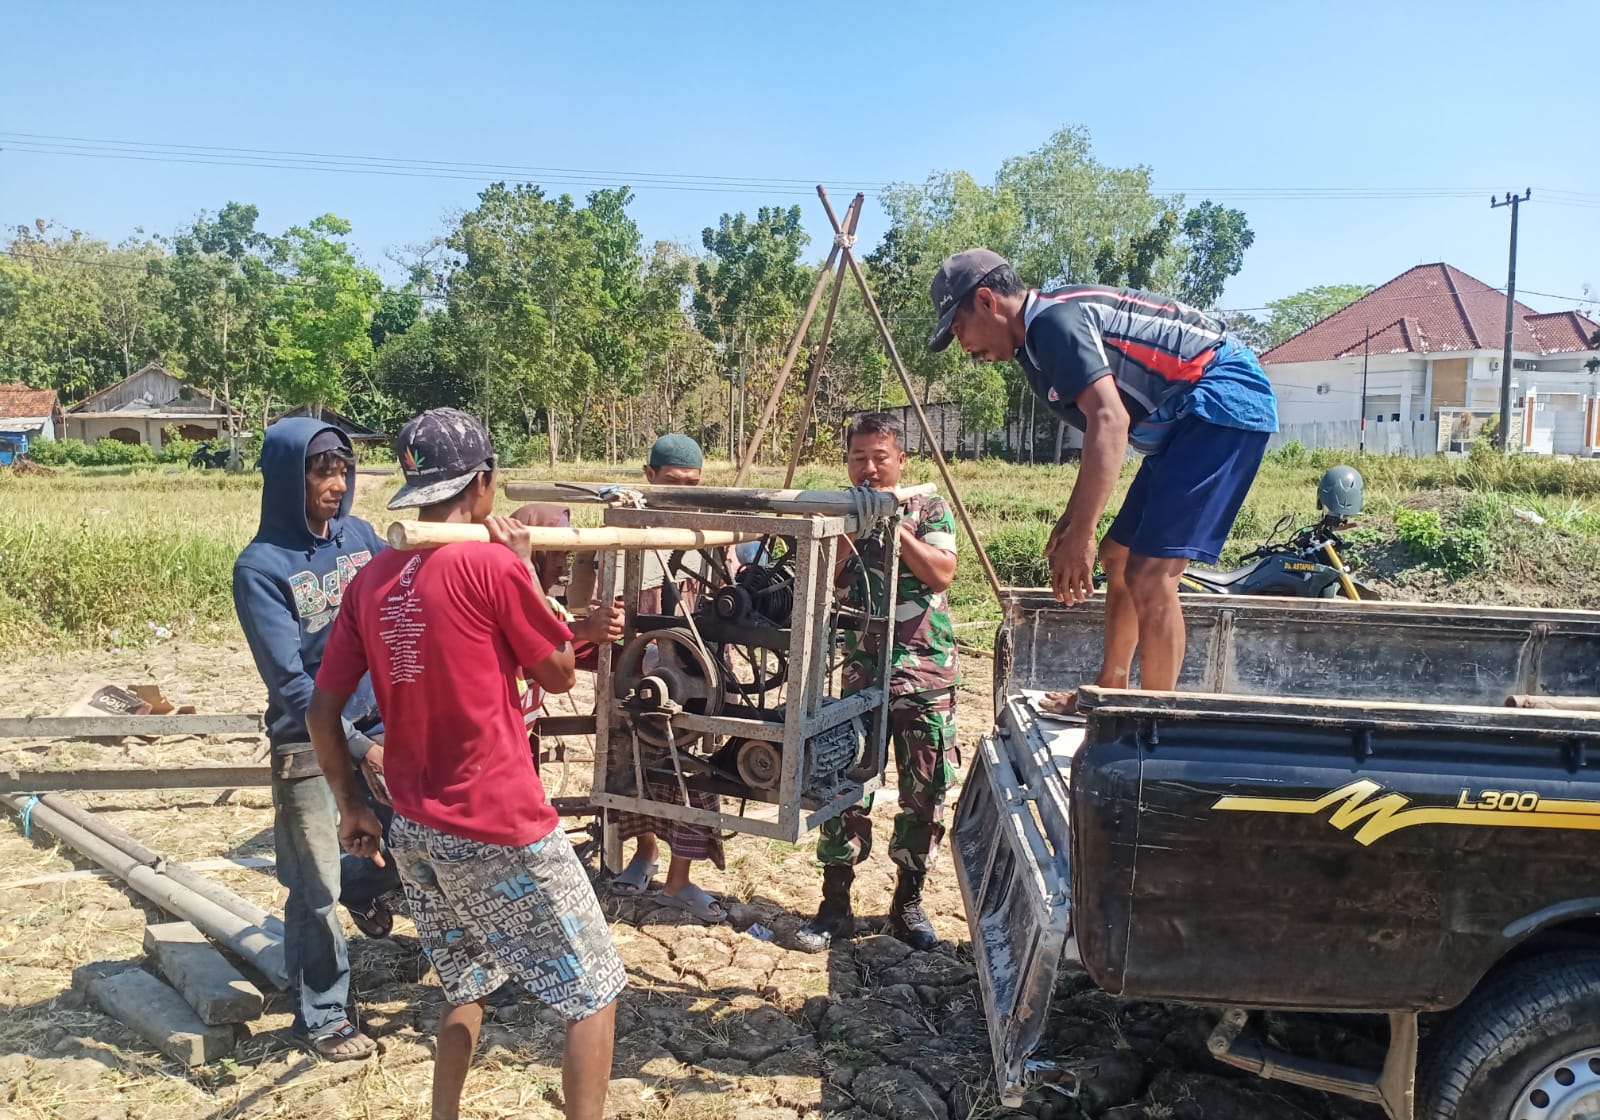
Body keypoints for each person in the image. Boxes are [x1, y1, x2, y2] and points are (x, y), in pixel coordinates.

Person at [308, 408, 624, 1120]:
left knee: (465, 982)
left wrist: (353, 805)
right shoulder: (488, 563)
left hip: (416, 824)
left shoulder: (373, 578)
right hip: (498, 820)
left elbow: (321, 712)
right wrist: (519, 569)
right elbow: (557, 673)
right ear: (482, 483)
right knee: (595, 989)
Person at [928, 249, 1278, 708]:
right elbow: (1102, 431)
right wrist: (1073, 522)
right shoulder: (1035, 347)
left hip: (1221, 398)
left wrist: (1084, 533)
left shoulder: (1051, 323)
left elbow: (1110, 422)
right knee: (1118, 558)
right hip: (1182, 418)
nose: (965, 347)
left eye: (959, 329)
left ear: (989, 301)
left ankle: (1154, 726)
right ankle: (1111, 691)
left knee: (1151, 575)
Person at [233, 420, 398, 1061]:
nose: (336, 484)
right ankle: (322, 1015)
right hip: (307, 742)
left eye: (343, 471)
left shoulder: (360, 538)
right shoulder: (261, 569)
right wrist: (360, 750)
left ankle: (369, 887)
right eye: (320, 473)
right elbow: (292, 687)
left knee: (430, 845)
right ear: (285, 480)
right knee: (315, 887)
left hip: (383, 726)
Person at [794, 412, 960, 954]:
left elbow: (941, 573)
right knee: (844, 783)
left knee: (926, 789)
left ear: (900, 458)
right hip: (862, 669)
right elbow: (822, 579)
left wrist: (897, 529)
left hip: (923, 670)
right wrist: (854, 530)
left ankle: (907, 902)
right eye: (858, 457)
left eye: (878, 457)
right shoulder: (842, 510)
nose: (868, 468)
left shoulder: (928, 505)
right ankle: (835, 904)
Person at [607, 433, 730, 923]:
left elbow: (728, 597)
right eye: (673, 483)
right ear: (649, 476)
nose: (683, 493)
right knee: (631, 767)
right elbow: (591, 594)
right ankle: (645, 852)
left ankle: (679, 880)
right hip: (631, 674)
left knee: (693, 778)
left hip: (691, 681)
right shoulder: (620, 532)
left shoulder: (708, 537)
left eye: (693, 485)